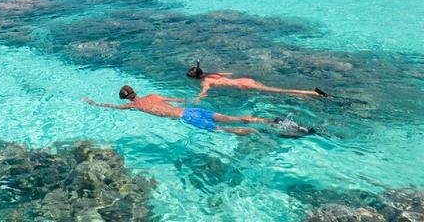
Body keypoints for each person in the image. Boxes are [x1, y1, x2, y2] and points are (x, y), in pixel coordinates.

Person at [83, 85, 275, 135]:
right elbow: (180, 99)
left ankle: (254, 132)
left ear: (126, 98)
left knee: (225, 130)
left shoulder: (135, 106)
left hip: (188, 118)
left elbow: (113, 107)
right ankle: (266, 121)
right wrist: (198, 97)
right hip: (191, 109)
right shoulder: (154, 95)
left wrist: (94, 103)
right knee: (232, 118)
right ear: (135, 91)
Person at [186, 61, 328, 101]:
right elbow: (227, 74)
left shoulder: (205, 82)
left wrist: (197, 99)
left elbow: (205, 92)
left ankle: (313, 93)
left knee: (278, 90)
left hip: (242, 84)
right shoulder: (210, 74)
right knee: (274, 90)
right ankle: (303, 96)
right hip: (244, 80)